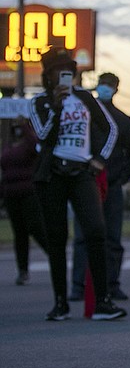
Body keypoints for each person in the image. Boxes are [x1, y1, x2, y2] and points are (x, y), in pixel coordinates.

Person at [29, 48, 126, 321]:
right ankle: (60, 302)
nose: (66, 76)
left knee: (96, 231)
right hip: (52, 175)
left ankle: (103, 302)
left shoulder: (85, 98)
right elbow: (44, 136)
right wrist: (58, 107)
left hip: (83, 172)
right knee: (57, 238)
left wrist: (100, 159)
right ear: (48, 75)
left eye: (70, 71)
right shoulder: (39, 102)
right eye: (60, 71)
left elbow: (111, 129)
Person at [69, 72, 130, 301]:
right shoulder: (84, 115)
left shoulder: (122, 120)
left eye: (110, 85)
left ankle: (111, 284)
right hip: (86, 184)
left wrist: (121, 177)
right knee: (82, 237)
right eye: (103, 84)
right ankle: (78, 286)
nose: (106, 88)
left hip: (112, 184)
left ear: (116, 89)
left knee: (112, 238)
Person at [1, 117, 47, 285]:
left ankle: (55, 256)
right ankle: (23, 270)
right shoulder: (8, 146)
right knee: (19, 234)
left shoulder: (30, 143)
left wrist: (26, 127)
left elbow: (35, 148)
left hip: (29, 192)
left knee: (36, 228)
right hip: (11, 194)